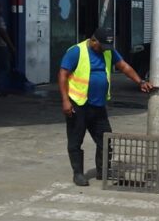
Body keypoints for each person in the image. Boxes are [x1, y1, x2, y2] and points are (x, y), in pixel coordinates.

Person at [58, 27, 152, 186]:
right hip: (78, 104)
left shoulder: (108, 51)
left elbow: (124, 66)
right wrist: (65, 100)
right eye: (102, 46)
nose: (104, 50)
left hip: (98, 105)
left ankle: (102, 171)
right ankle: (78, 173)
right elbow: (63, 74)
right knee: (75, 141)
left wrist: (140, 81)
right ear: (93, 40)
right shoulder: (76, 51)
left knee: (106, 139)